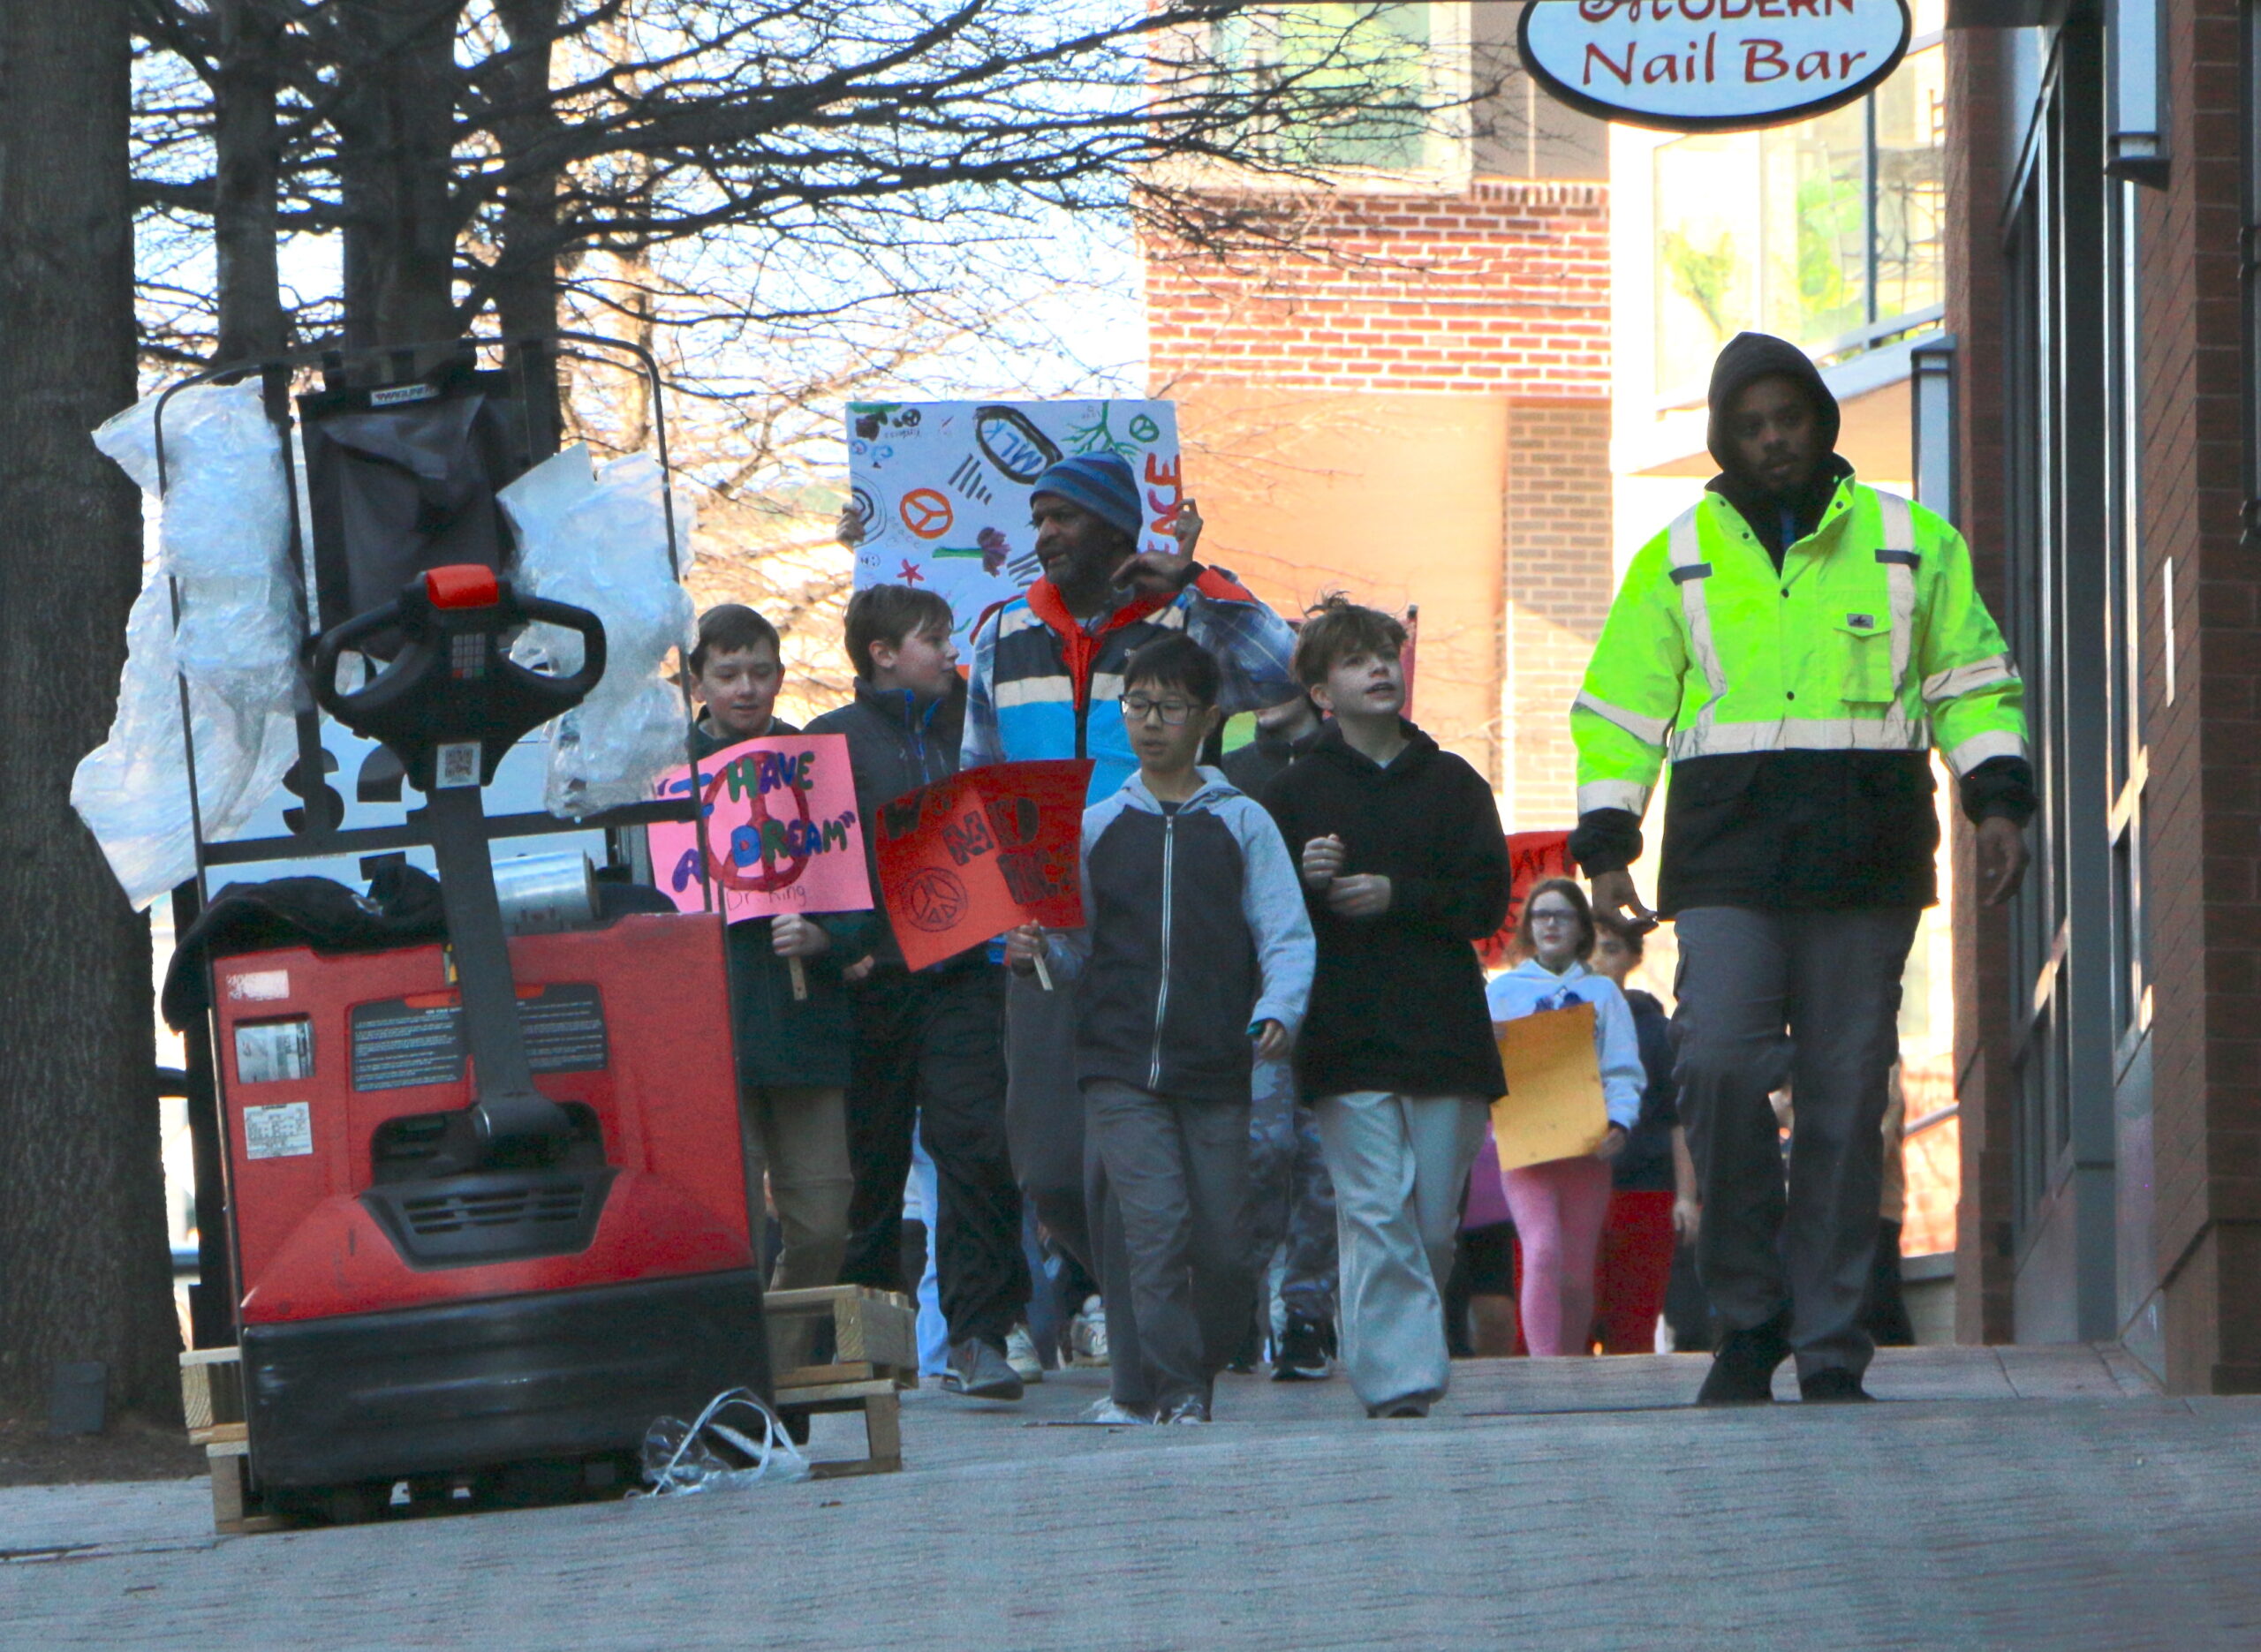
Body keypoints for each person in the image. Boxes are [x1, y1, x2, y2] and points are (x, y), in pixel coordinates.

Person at [1571, 330, 2034, 1404]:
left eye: (1788, 418)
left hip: (1865, 855)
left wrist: (1996, 797)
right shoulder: (1677, 556)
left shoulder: (1910, 542)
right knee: (1720, 1066)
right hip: (1727, 853)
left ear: (1820, 422)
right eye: (1751, 424)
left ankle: (1827, 1342)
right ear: (1725, 439)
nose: (1773, 438)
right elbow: (1619, 711)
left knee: (1842, 1097)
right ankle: (1745, 1317)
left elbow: (1971, 683)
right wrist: (1605, 843)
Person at [962, 452, 1297, 1361]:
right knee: (1049, 1167)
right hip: (1044, 932)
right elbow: (976, 780)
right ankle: (1137, 1293)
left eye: (1064, 517)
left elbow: (1287, 672)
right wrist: (996, 913)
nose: (1044, 535)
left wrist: (1197, 578)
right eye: (1038, 518)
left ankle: (1170, 1325)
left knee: (1169, 1157)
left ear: (1117, 530)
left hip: (1165, 921)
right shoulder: (998, 633)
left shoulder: (1183, 619)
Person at [1006, 634, 1313, 1422]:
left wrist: (1278, 1008)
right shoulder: (1098, 825)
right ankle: (1177, 1391)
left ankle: (1203, 1360)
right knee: (1155, 1228)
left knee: (1220, 1244)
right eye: (1137, 705)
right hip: (1116, 1066)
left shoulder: (1243, 823)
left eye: (1169, 707)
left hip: (1216, 1065)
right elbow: (1074, 950)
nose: (1150, 722)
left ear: (1207, 719)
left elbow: (1284, 934)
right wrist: (1036, 952)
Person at [1261, 595, 1509, 1417]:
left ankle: (1393, 1343)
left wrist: (1397, 895)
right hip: (1346, 1032)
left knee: (1432, 1226)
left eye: (1388, 654)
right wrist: (1307, 878)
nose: (1381, 669)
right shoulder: (1291, 793)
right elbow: (1265, 914)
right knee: (1373, 1209)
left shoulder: (1454, 782)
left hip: (1444, 1030)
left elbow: (1487, 901)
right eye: (1358, 658)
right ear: (1321, 691)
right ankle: (1398, 1379)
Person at [805, 584, 1031, 1402]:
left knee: (976, 1142)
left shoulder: (976, 721)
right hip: (872, 984)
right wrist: (845, 947)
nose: (948, 651)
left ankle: (978, 1335)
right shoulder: (828, 743)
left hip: (966, 974)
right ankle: (872, 1348)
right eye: (932, 638)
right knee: (873, 1165)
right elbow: (809, 865)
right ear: (883, 653)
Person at [687, 604, 864, 1364]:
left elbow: (863, 897)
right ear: (698, 680)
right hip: (707, 1030)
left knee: (822, 1218)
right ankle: (737, 1370)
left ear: (781, 675)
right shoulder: (665, 772)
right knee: (730, 1225)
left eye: (760, 671)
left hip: (803, 1023)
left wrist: (827, 938)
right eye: (728, 673)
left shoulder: (817, 765)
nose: (746, 688)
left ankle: (778, 1363)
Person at [1222, 684, 1339, 1379]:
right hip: (1253, 995)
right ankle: (1242, 1301)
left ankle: (1307, 1314)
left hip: (1337, 995)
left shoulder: (1343, 766)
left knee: (1323, 1166)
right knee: (1261, 1151)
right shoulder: (1231, 770)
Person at [1485, 879, 1645, 1359]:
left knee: (1576, 1270)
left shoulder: (1603, 993)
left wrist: (1620, 1123)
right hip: (1526, 1146)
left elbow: (1622, 1067)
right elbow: (1480, 1071)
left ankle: (1571, 1361)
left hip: (1588, 1145)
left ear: (1581, 929)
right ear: (1528, 926)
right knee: (1542, 1251)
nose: (1551, 924)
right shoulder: (1504, 992)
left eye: (1562, 916)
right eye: (1541, 915)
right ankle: (1545, 1368)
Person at [1587, 910, 1700, 1354]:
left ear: (1633, 958)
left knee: (1632, 1322)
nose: (1599, 958)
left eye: (1611, 948)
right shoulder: (1554, 1018)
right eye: (1590, 945)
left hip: (1643, 1188)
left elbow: (1679, 1121)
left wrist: (1687, 1197)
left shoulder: (1656, 1031)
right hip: (1571, 1183)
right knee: (1572, 1313)